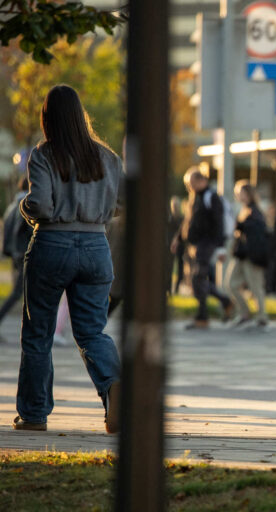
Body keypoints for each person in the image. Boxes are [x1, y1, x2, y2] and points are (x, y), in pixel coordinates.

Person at [13, 84, 122, 433]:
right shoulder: (108, 157)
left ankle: (33, 414)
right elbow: (118, 204)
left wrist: (24, 208)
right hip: (96, 247)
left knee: (38, 334)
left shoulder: (43, 154)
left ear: (48, 118)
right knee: (92, 332)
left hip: (52, 245)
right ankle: (116, 389)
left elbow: (41, 204)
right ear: (80, 115)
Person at [171, 166, 234, 330]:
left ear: (202, 181)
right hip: (193, 244)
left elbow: (219, 223)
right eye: (188, 184)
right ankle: (225, 302)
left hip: (207, 243)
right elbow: (188, 221)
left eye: (192, 183)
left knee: (198, 278)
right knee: (195, 279)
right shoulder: (195, 197)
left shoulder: (211, 197)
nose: (190, 187)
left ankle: (203, 317)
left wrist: (220, 248)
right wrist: (178, 238)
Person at [224, 180, 270, 330]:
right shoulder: (242, 210)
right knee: (231, 284)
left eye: (241, 193)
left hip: (252, 255)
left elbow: (257, 232)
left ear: (249, 194)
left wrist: (242, 226)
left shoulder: (255, 211)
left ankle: (262, 317)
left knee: (256, 287)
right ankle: (245, 313)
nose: (239, 196)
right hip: (241, 254)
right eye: (237, 193)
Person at [0, 177, 34, 342]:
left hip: (15, 253)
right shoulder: (26, 204)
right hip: (24, 253)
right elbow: (28, 229)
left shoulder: (13, 204)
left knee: (22, 292)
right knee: (19, 293)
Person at [169, 196, 185, 294]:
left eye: (176, 205)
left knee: (180, 269)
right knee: (169, 268)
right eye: (173, 205)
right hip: (170, 246)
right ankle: (169, 289)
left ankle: (176, 289)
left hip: (181, 247)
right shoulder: (169, 219)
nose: (175, 207)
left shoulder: (182, 218)